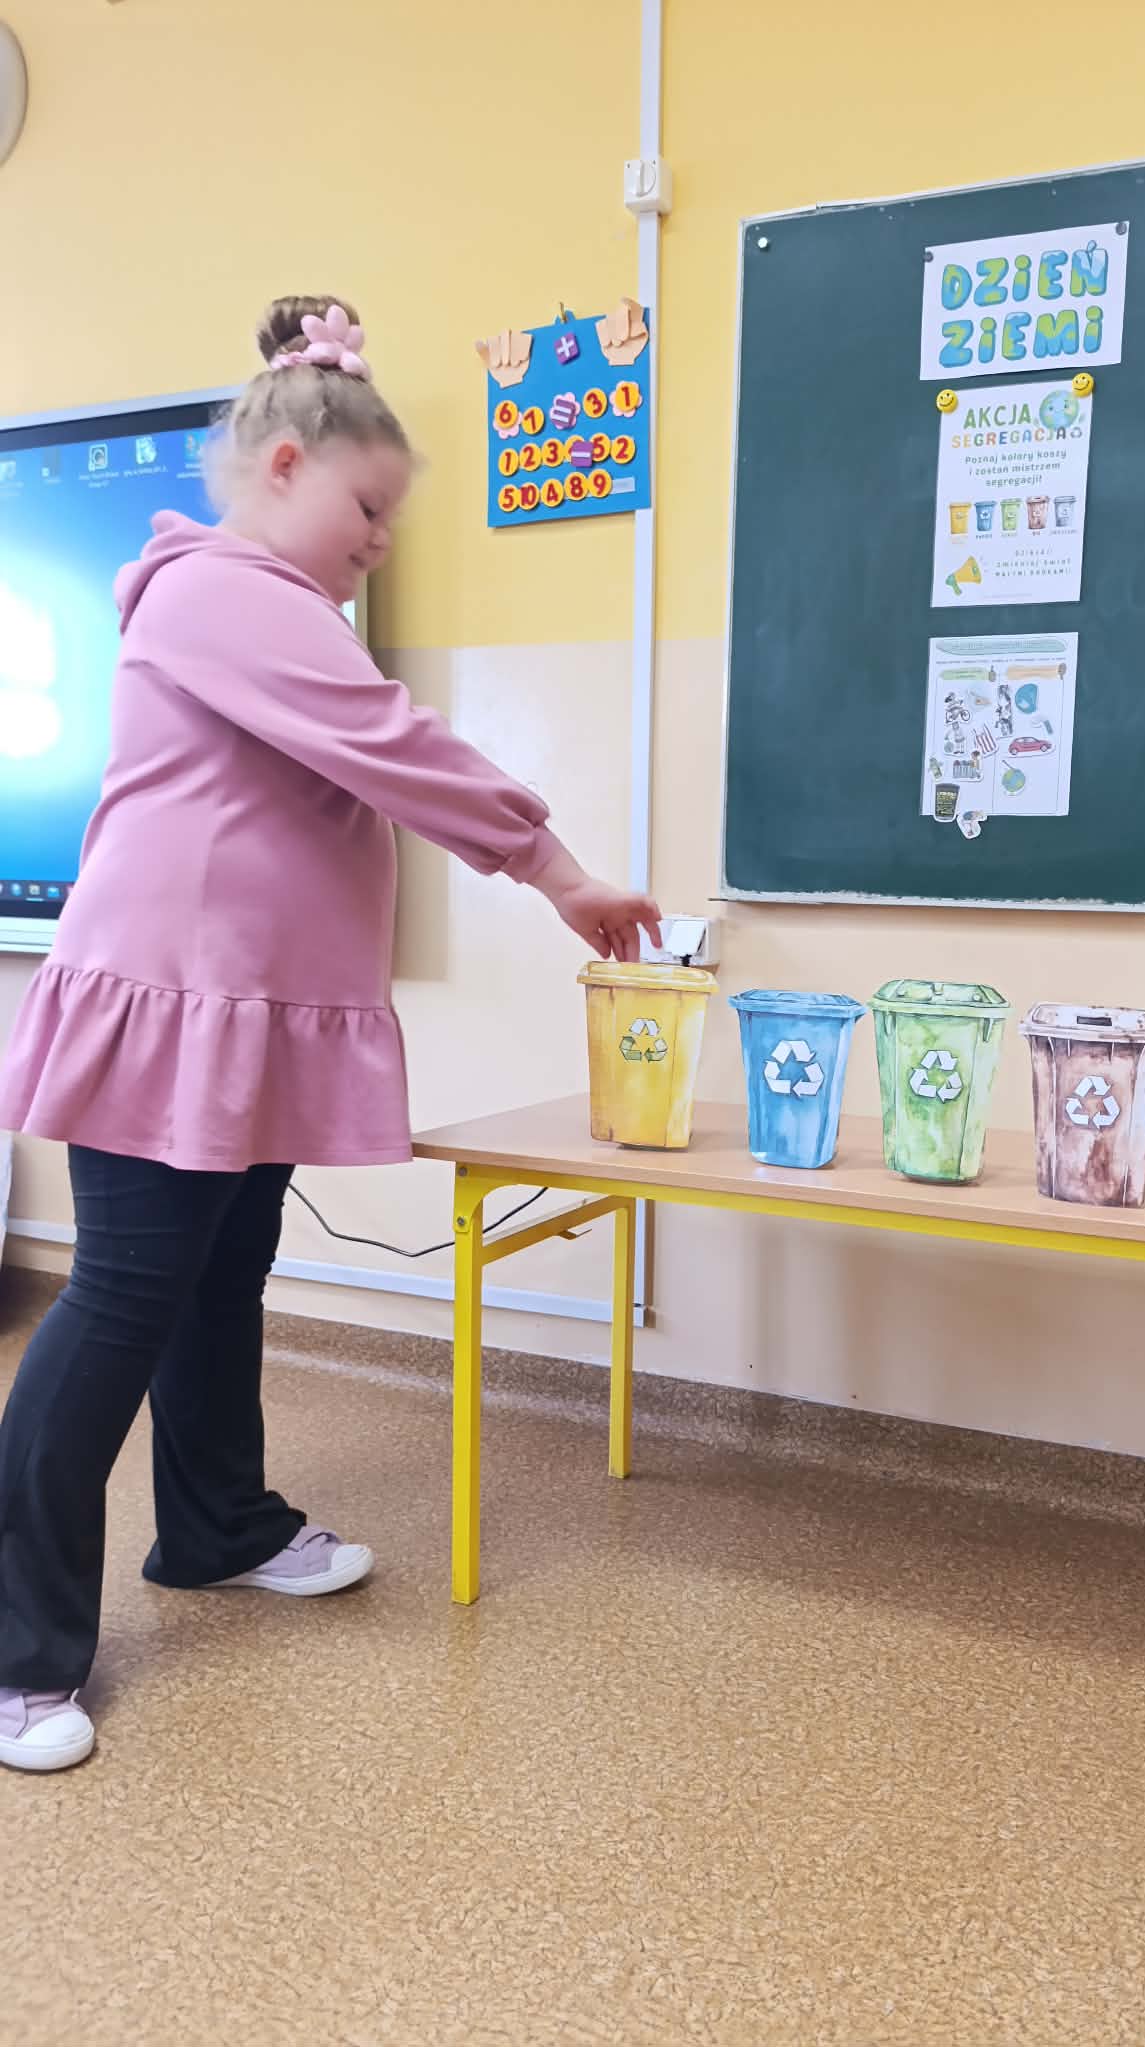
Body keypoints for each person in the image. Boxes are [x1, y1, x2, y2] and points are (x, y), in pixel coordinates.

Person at [0, 297, 660, 1772]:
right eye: (367, 509)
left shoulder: (277, 610)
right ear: (286, 465)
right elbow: (390, 744)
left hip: (244, 1014)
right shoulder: (214, 591)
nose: (379, 539)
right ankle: (14, 1645)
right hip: (170, 1005)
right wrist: (557, 870)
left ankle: (216, 1527)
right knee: (124, 1298)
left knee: (218, 1277)